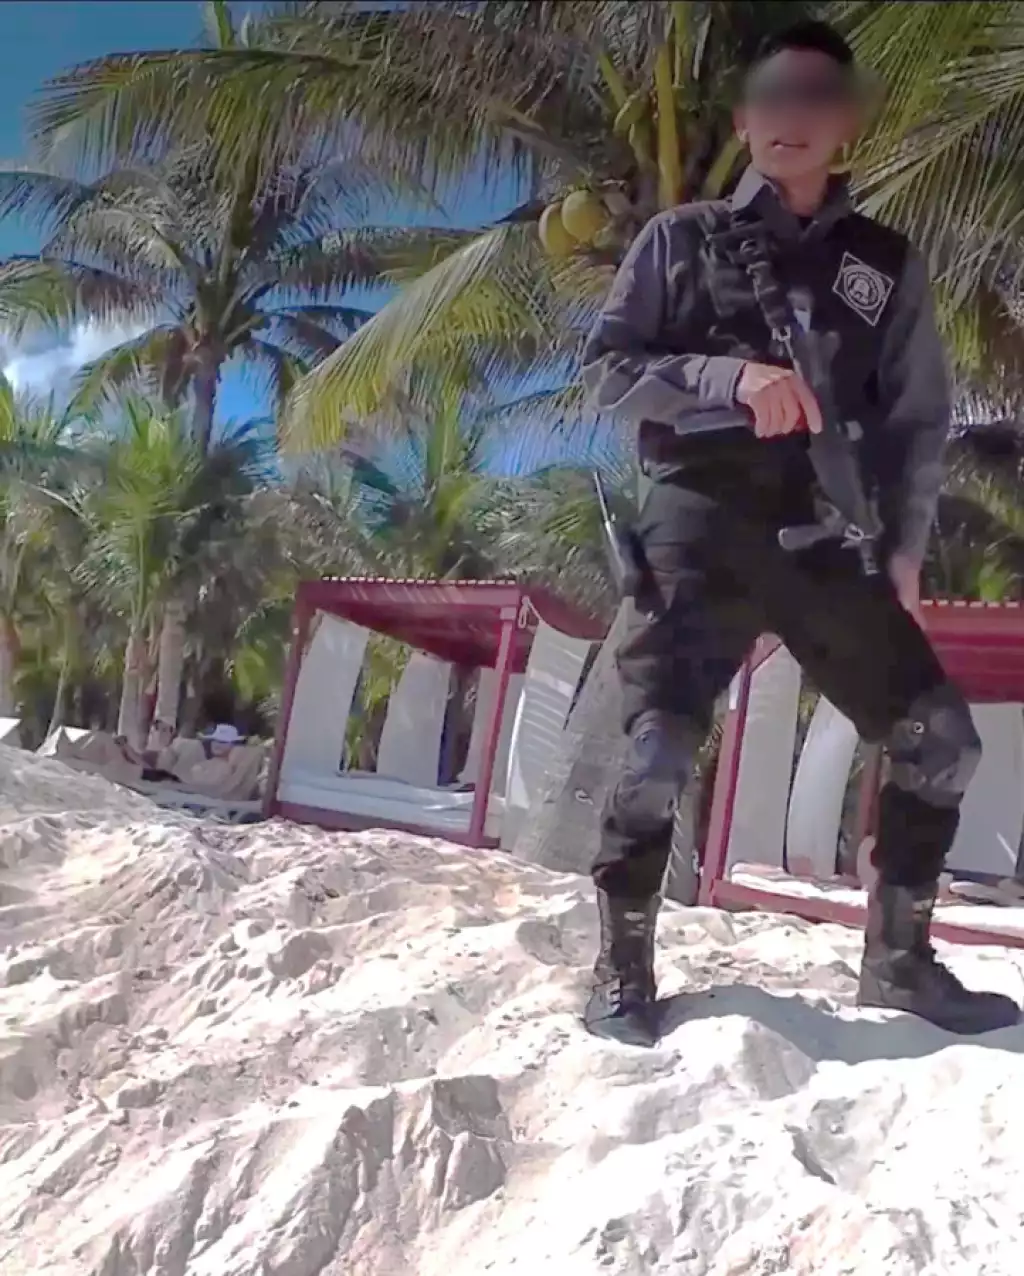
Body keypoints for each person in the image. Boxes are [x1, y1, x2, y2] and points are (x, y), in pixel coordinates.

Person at [580, 20, 1020, 1047]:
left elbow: (915, 421)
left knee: (939, 743)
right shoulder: (677, 241)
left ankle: (899, 961)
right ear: (744, 119)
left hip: (822, 536)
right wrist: (725, 379)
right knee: (653, 759)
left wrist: (904, 548)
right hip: (693, 523)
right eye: (772, 98)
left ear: (846, 123)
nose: (792, 120)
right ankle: (622, 966)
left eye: (816, 99)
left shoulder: (884, 266)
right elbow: (608, 370)